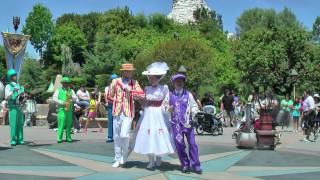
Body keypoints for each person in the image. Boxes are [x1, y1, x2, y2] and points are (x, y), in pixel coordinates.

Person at [133, 62, 175, 169]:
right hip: (148, 113)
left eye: (152, 78)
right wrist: (139, 100)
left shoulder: (164, 88)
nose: (150, 79)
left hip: (160, 114)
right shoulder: (147, 88)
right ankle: (151, 160)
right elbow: (145, 103)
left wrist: (167, 109)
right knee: (148, 136)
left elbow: (167, 101)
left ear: (158, 78)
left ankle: (159, 158)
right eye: (149, 77)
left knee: (159, 135)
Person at [107, 63, 145, 168]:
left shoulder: (134, 83)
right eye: (128, 71)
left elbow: (141, 95)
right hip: (117, 112)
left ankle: (125, 154)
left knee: (124, 134)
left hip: (128, 112)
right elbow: (109, 96)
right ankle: (117, 158)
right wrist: (116, 101)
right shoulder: (115, 81)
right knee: (117, 136)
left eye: (131, 71)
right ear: (123, 72)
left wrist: (130, 91)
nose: (131, 72)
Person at [164, 73, 202, 174]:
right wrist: (168, 109)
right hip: (176, 124)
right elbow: (163, 107)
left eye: (181, 81)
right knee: (179, 144)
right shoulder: (169, 95)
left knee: (192, 144)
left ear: (183, 83)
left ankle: (196, 165)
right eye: (177, 81)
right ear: (173, 83)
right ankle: (185, 165)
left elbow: (194, 106)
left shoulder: (188, 94)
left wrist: (194, 113)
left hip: (187, 123)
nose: (179, 83)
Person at [53, 77, 78, 143]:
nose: (65, 84)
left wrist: (71, 97)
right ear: (62, 84)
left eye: (67, 83)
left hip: (69, 109)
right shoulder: (58, 90)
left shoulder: (71, 91)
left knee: (69, 124)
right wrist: (62, 102)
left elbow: (75, 99)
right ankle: (59, 138)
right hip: (61, 109)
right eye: (64, 83)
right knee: (61, 123)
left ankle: (68, 137)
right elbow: (54, 99)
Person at [5, 69, 25, 146]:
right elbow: (6, 97)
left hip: (20, 107)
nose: (15, 76)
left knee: (20, 123)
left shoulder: (19, 85)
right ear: (10, 77)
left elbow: (21, 96)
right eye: (13, 75)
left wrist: (23, 94)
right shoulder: (8, 86)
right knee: (13, 124)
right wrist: (13, 91)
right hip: (13, 107)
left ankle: (20, 139)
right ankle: (13, 139)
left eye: (15, 75)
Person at [105, 74, 118, 143]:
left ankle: (117, 136)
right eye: (112, 80)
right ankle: (110, 136)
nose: (114, 81)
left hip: (118, 106)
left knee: (117, 121)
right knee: (110, 121)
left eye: (115, 79)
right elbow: (107, 96)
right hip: (111, 105)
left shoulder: (119, 87)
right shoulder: (107, 88)